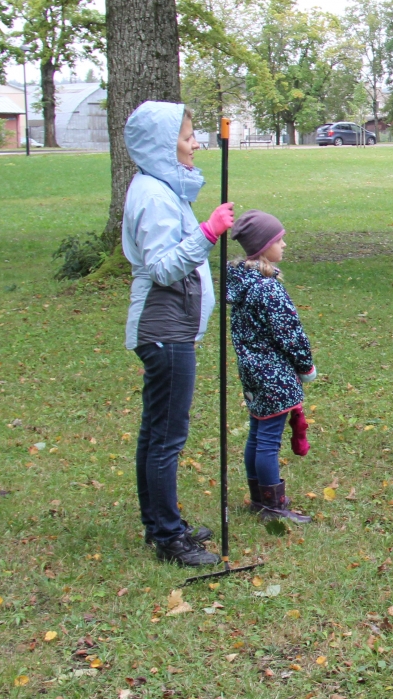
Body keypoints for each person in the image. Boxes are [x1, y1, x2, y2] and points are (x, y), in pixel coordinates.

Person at [121, 101, 234, 567]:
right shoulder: (152, 195)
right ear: (163, 147)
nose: (196, 145)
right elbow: (164, 267)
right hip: (165, 331)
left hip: (172, 327)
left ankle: (161, 524)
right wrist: (208, 232)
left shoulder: (162, 189)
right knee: (167, 435)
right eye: (188, 138)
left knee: (157, 431)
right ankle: (168, 536)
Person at [227, 210, 316, 524]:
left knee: (257, 432)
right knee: (267, 439)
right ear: (263, 246)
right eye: (279, 240)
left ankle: (259, 498)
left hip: (252, 373)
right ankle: (272, 505)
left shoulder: (243, 285)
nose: (285, 245)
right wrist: (305, 366)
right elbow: (290, 334)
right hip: (274, 375)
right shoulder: (268, 288)